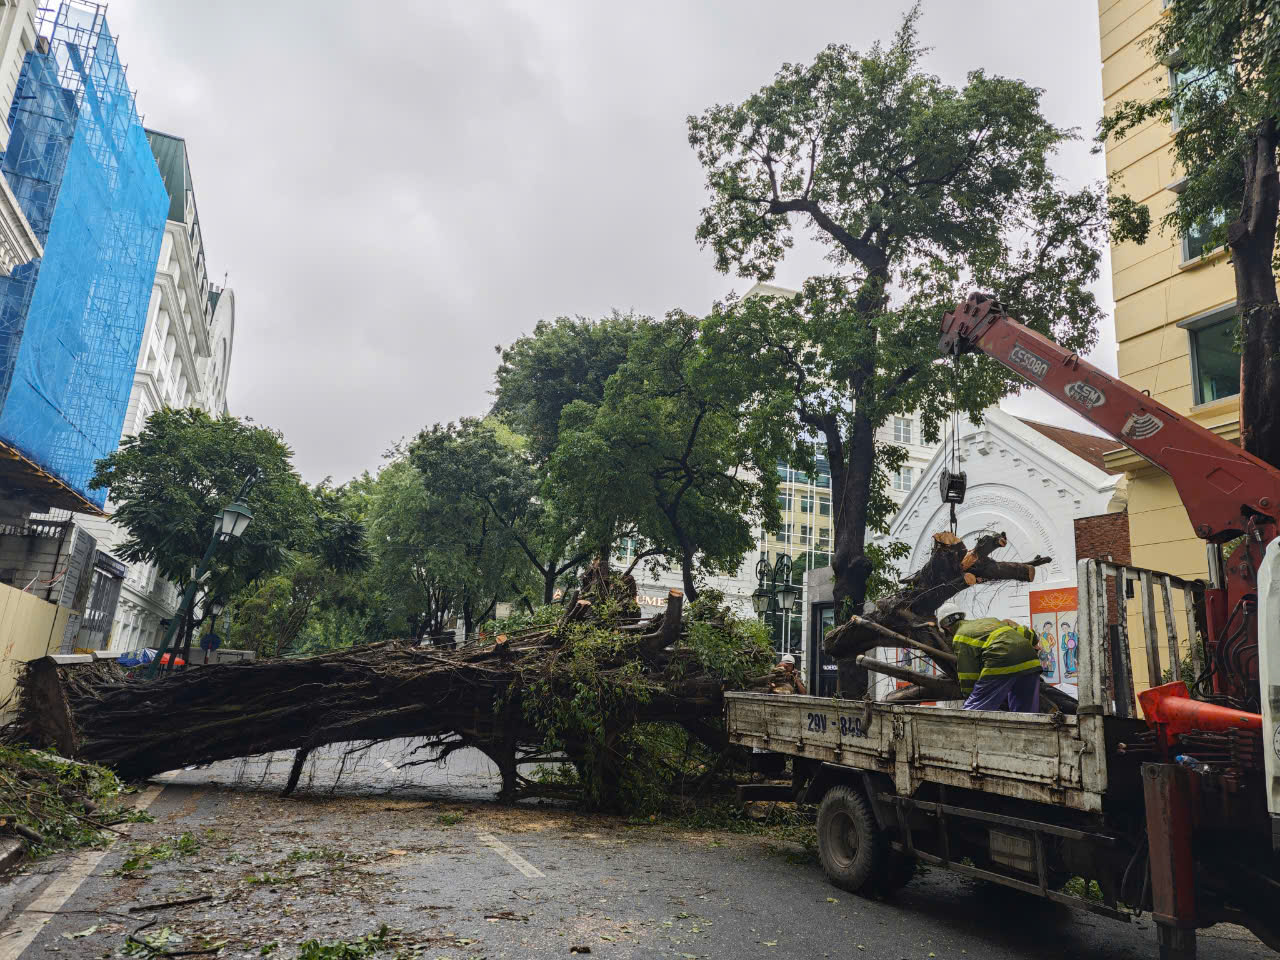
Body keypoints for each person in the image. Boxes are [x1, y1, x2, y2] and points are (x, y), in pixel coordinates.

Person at [938, 607, 1042, 713]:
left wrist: (971, 696)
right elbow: (1027, 633)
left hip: (1001, 660)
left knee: (973, 712)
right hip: (1031, 662)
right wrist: (1034, 641)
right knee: (1026, 713)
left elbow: (968, 673)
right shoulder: (991, 621)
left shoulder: (960, 636)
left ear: (946, 627)